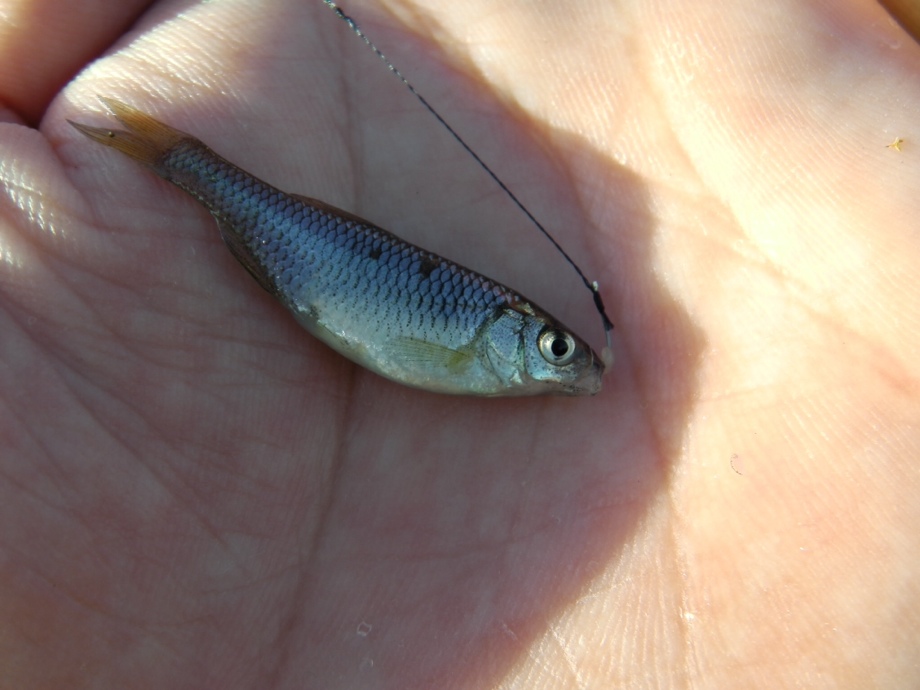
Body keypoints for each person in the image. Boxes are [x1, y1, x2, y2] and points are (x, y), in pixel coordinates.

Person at [1, 1, 917, 687]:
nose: (566, 362)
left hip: (319, 276)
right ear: (510, 334)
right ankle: (177, 159)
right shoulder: (474, 350)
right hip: (317, 266)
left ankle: (178, 159)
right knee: (239, 205)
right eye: (554, 349)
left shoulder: (484, 356)